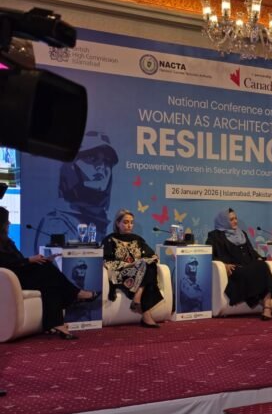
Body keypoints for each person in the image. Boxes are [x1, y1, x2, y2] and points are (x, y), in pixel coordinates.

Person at [0, 206, 98, 339]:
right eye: (6, 221)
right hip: (11, 280)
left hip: (21, 274)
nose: (9, 223)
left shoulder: (7, 242)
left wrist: (38, 260)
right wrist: (29, 260)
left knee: (51, 283)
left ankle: (56, 324)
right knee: (47, 271)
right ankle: (76, 293)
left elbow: (18, 261)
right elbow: (5, 264)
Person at [32, 131, 118, 252]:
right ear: (71, 166)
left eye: (107, 161)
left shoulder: (105, 223)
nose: (101, 166)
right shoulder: (57, 222)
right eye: (92, 158)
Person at [206, 209, 272, 321]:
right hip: (235, 268)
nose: (235, 221)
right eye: (231, 219)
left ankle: (266, 306)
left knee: (263, 266)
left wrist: (259, 257)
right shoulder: (214, 236)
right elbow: (209, 254)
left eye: (235, 218)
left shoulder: (242, 233)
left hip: (248, 265)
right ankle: (267, 306)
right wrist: (224, 265)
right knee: (246, 273)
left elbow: (250, 250)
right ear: (223, 221)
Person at [102, 209, 163, 328]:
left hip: (140, 271)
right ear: (117, 223)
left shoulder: (137, 239)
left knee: (150, 265)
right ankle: (145, 314)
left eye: (131, 222)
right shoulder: (110, 240)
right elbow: (106, 262)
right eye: (125, 222)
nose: (129, 225)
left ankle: (138, 296)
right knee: (147, 269)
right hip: (121, 273)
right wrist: (129, 265)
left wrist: (140, 264)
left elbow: (152, 256)